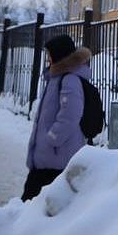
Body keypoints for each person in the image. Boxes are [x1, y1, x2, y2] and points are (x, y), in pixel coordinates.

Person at [23, 34, 93, 201]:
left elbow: (70, 115)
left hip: (57, 157)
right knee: (34, 205)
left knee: (33, 204)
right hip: (49, 157)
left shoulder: (69, 80)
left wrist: (53, 138)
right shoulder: (56, 78)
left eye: (50, 54)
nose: (47, 58)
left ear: (58, 55)